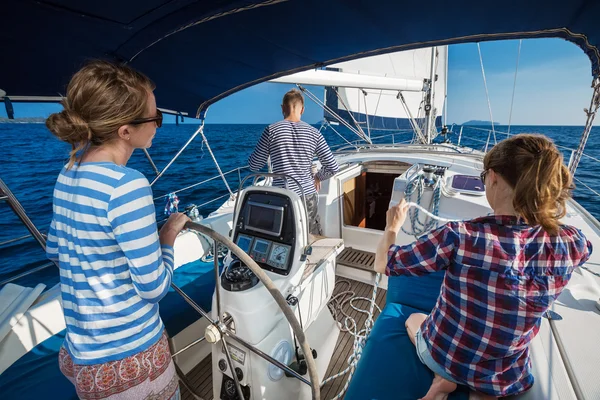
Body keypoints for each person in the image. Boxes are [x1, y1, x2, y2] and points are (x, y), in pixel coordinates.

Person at [374, 134, 592, 400]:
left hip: (446, 356)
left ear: (494, 177)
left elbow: (384, 263)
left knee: (413, 319)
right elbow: (580, 252)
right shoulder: (572, 242)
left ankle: (443, 380)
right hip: (503, 374)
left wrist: (392, 226)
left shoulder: (459, 236)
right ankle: (469, 389)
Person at [45, 60, 189, 400]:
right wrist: (166, 237)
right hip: (131, 358)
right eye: (155, 118)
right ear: (125, 131)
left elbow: (55, 249)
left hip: (84, 355)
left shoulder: (68, 171)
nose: (157, 125)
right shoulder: (127, 186)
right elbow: (153, 287)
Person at [248, 88, 339, 235]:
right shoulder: (314, 133)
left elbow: (254, 165)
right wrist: (317, 177)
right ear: (302, 110)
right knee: (310, 236)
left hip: (282, 196)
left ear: (282, 108)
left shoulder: (271, 130)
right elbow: (333, 167)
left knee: (285, 238)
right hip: (306, 195)